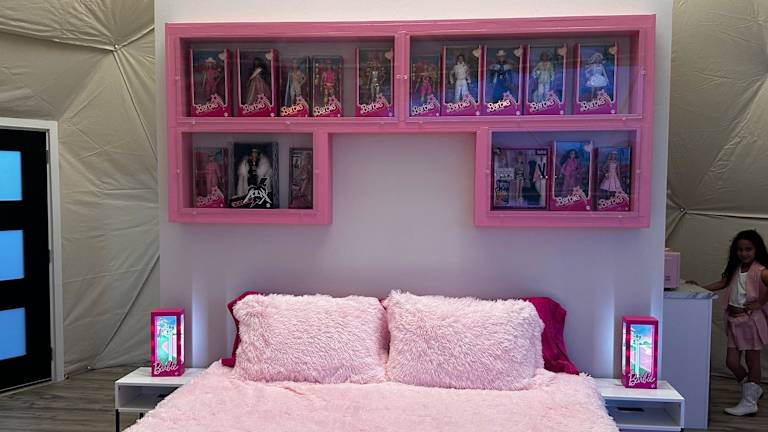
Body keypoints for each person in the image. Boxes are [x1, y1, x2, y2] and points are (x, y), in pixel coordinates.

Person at [695, 230, 768, 416]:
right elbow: (723, 283)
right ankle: (752, 389)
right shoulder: (736, 268)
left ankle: (749, 402)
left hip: (750, 321)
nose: (744, 253)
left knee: (752, 360)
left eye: (748, 249)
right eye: (740, 249)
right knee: (731, 361)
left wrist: (760, 303)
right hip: (734, 321)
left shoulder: (761, 271)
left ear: (757, 250)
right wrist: (699, 288)